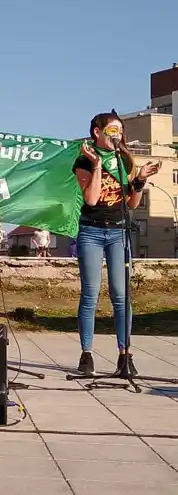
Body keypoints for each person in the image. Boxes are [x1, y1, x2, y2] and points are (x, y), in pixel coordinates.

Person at [73, 111, 161, 376]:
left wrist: (140, 180)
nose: (118, 135)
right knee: (91, 293)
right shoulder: (84, 159)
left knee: (121, 296)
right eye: (112, 130)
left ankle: (125, 355)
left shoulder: (124, 160)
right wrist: (97, 165)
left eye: (120, 131)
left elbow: (131, 203)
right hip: (91, 231)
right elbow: (91, 199)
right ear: (97, 132)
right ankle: (87, 354)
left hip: (118, 232)